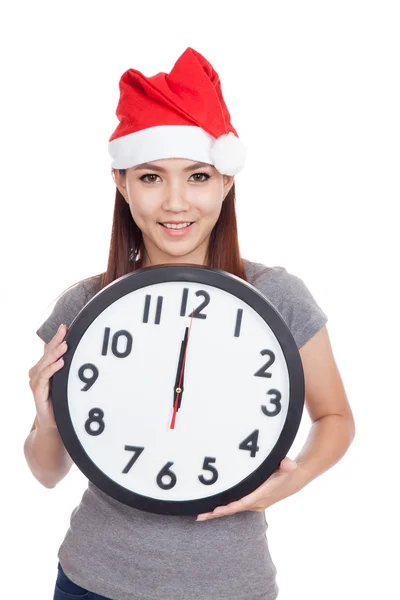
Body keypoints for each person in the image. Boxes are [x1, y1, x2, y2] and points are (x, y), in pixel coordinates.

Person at [24, 47, 355, 600]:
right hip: (92, 581)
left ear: (226, 183)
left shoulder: (276, 295)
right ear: (122, 182)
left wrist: (297, 478)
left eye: (198, 176)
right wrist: (48, 418)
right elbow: (47, 473)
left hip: (230, 587)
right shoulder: (85, 305)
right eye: (151, 177)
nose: (176, 203)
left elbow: (336, 416)